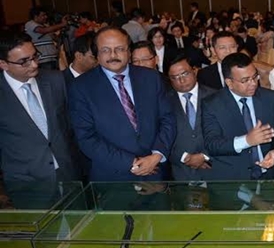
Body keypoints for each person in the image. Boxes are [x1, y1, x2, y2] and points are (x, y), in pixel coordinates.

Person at [68, 27, 176, 181]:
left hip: (156, 169)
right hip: (113, 176)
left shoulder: (151, 78)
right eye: (105, 50)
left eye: (119, 49)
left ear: (129, 51)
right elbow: (86, 137)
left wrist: (157, 155)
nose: (113, 55)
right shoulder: (81, 87)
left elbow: (168, 119)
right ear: (96, 54)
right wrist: (132, 162)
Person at [0, 31, 81, 182]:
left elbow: (70, 125)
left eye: (35, 56)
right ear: (3, 64)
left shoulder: (55, 80)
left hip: (68, 173)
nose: (34, 64)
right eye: (24, 61)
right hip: (26, 181)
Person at [201, 53, 274, 180]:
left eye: (255, 77)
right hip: (233, 180)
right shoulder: (211, 105)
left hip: (270, 176)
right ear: (229, 82)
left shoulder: (272, 98)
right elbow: (212, 144)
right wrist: (246, 141)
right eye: (245, 80)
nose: (253, 83)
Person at [167, 55, 216, 181]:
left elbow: (226, 132)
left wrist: (205, 156)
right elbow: (160, 137)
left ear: (194, 71)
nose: (181, 80)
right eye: (175, 77)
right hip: (181, 172)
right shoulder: (164, 102)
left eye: (185, 74)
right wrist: (185, 158)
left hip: (214, 168)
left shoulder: (215, 96)